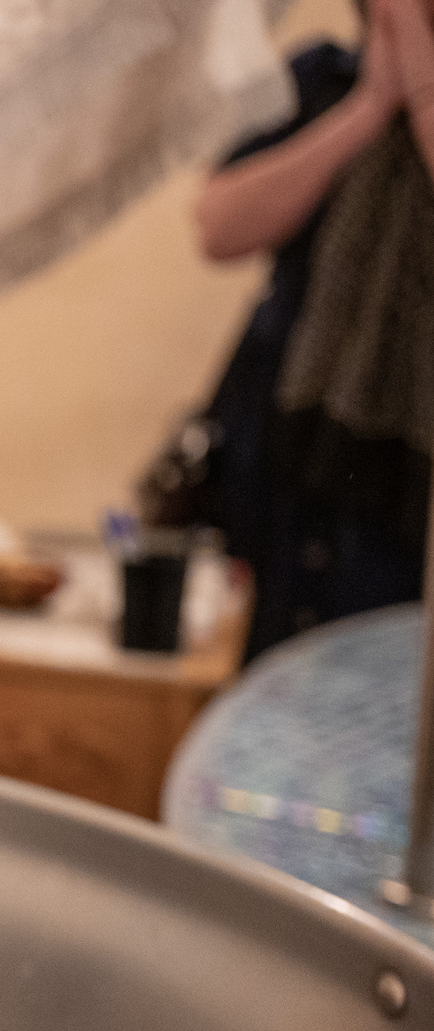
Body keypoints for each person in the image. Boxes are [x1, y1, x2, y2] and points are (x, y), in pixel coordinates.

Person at [193, 0, 434, 661]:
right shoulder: (323, 78)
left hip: (410, 488)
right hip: (294, 459)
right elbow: (218, 227)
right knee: (282, 669)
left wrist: (421, 89)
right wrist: (368, 109)